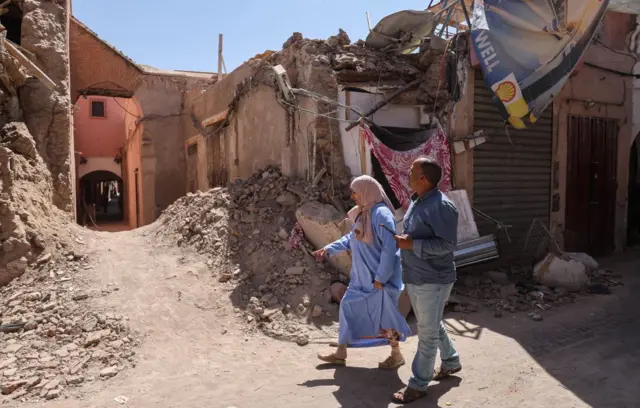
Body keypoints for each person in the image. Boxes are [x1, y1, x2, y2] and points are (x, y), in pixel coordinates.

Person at [313, 175, 410, 368]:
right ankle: (340, 353)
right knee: (347, 307)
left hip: (378, 280)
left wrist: (381, 278)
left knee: (386, 317)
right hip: (361, 278)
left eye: (355, 192)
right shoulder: (363, 214)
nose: (353, 196)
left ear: (367, 191)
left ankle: (396, 354)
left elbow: (389, 249)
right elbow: (351, 238)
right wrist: (328, 249)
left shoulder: (382, 214)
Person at [391, 158, 461, 404]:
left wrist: (412, 244)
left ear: (423, 178)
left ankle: (418, 384)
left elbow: (448, 244)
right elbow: (421, 234)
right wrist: (406, 239)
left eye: (412, 171)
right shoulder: (417, 200)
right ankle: (451, 361)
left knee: (427, 334)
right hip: (417, 275)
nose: (407, 173)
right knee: (430, 324)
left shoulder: (441, 206)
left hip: (434, 278)